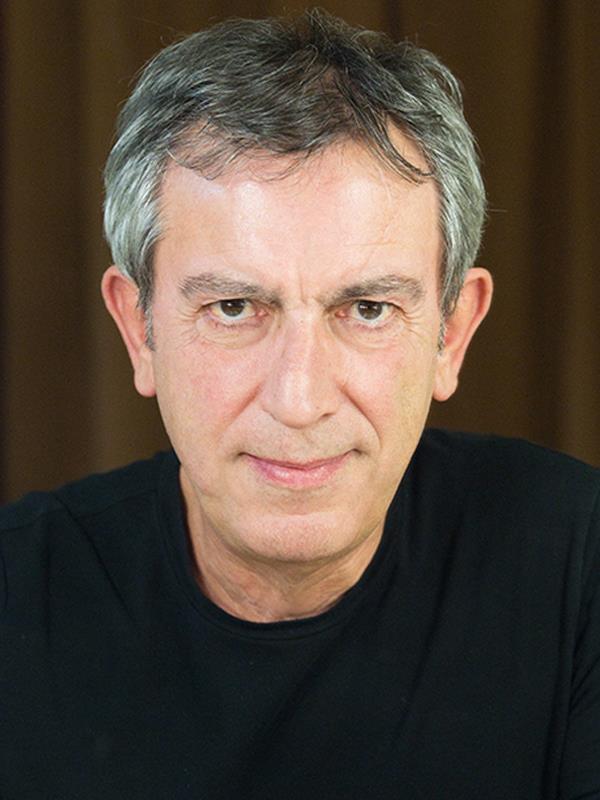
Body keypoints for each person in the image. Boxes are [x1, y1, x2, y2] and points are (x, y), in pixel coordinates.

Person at [1, 9, 598, 799]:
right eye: (234, 308)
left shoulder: (580, 565)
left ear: (451, 335)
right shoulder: (15, 598)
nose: (299, 399)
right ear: (139, 329)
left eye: (368, 309)